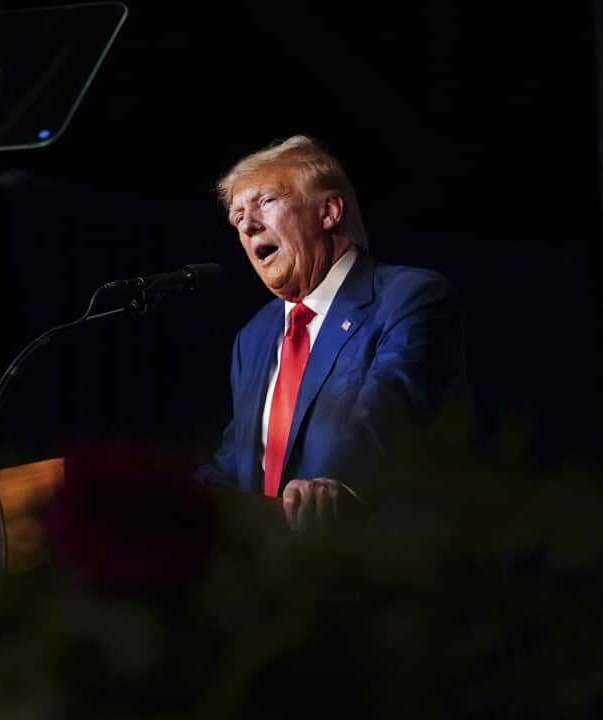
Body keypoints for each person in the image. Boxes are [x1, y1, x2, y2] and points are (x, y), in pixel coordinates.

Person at [196, 136, 465, 530]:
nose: (249, 225)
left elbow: (392, 404)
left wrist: (342, 480)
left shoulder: (408, 297)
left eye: (266, 202)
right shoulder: (252, 337)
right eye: (237, 218)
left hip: (370, 561)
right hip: (269, 574)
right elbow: (236, 463)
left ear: (329, 211)